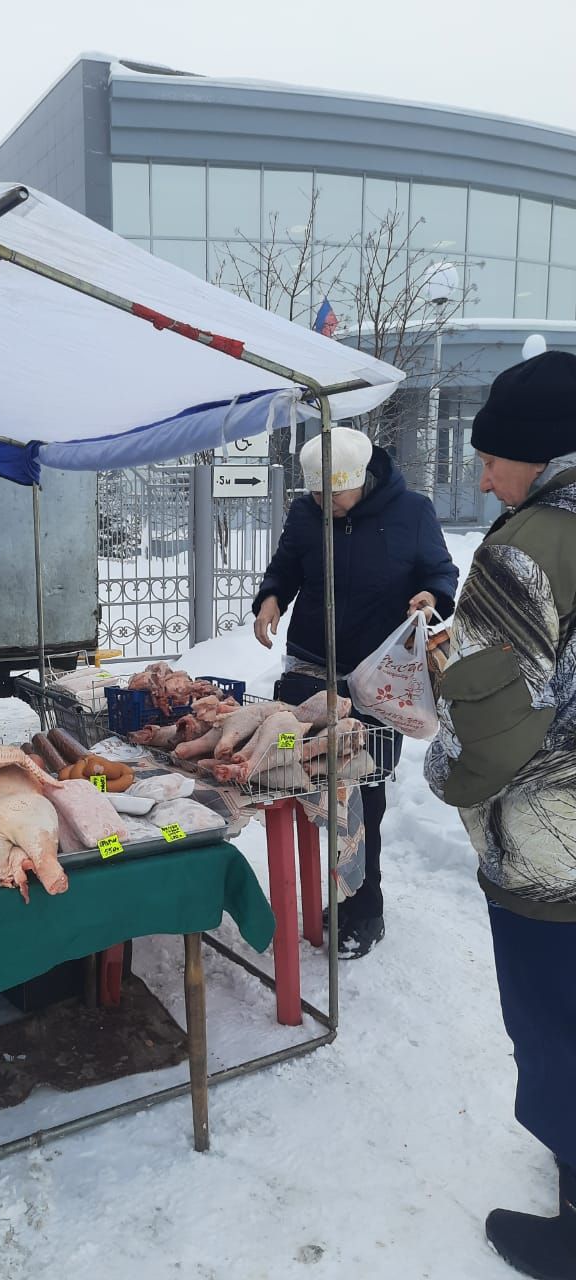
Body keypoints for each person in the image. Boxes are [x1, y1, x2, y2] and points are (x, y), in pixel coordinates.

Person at [424, 351, 576, 1279]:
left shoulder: (533, 542)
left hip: (556, 854)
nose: (481, 475)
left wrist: (443, 763)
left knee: (556, 1024)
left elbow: (492, 730)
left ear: (542, 454)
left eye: (492, 457)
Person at [253, 426, 458, 957]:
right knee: (297, 772)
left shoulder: (412, 512)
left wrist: (430, 596)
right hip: (310, 666)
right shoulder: (307, 515)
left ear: (362, 480)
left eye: (334, 495)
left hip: (378, 675)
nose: (324, 504)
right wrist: (271, 598)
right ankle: (313, 886)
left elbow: (441, 573)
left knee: (364, 790)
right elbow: (287, 567)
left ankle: (364, 905)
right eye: (317, 494)